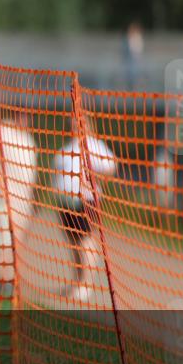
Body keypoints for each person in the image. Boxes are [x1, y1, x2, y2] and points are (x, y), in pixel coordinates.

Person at [51, 116, 117, 303]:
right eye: (73, 122)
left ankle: (86, 285)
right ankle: (77, 282)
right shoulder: (68, 147)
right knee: (74, 242)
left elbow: (111, 166)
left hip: (85, 202)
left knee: (84, 241)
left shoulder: (93, 145)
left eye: (80, 122)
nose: (75, 125)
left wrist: (93, 175)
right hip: (66, 203)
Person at [0, 111, 37, 297]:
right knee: (1, 243)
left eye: (27, 115)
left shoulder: (30, 143)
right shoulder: (5, 130)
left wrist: (31, 204)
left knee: (14, 245)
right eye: (21, 114)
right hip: (2, 198)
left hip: (23, 203)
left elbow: (31, 178)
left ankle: (7, 282)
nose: (24, 118)